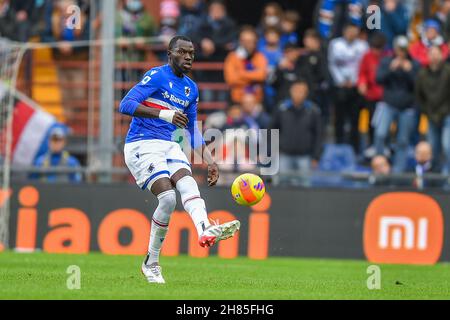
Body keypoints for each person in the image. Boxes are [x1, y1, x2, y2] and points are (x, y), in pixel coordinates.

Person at [119, 35, 240, 284]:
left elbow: (192, 129)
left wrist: (209, 160)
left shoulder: (191, 89)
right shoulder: (157, 76)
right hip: (142, 143)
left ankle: (204, 228)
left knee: (188, 183)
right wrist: (165, 114)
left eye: (191, 53)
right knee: (167, 198)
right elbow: (126, 104)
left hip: (169, 145)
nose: (188, 57)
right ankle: (151, 263)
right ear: (170, 54)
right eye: (182, 52)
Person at [374, 35, 419, 173]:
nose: (401, 53)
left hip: (407, 107)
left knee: (403, 140)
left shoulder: (414, 64)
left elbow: (418, 86)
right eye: (399, 50)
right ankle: (380, 166)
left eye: (404, 50)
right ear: (395, 49)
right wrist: (391, 69)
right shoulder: (387, 61)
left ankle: (398, 170)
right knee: (380, 134)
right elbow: (378, 79)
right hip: (388, 104)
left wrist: (409, 71)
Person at [272, 80, 323, 186]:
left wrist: (316, 156)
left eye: (301, 91)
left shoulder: (313, 111)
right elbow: (271, 130)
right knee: (282, 185)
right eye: (296, 91)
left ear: (306, 93)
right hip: (284, 155)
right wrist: (271, 151)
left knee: (305, 186)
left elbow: (318, 135)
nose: (298, 94)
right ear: (291, 91)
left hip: (305, 156)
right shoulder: (282, 109)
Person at [328, 23, 368, 153]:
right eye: (349, 30)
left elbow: (363, 67)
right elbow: (332, 64)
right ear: (344, 31)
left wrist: (355, 81)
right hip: (340, 86)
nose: (351, 33)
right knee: (339, 118)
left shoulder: (363, 46)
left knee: (354, 119)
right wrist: (340, 81)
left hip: (356, 86)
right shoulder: (335, 44)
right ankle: (339, 146)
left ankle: (354, 149)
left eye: (354, 30)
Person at [415, 45, 450, 174]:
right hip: (430, 115)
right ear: (427, 56)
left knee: (447, 146)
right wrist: (427, 111)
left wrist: (444, 111)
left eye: (437, 53)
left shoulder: (448, 71)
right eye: (431, 54)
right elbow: (418, 96)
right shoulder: (422, 74)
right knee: (433, 148)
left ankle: (447, 176)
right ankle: (435, 178)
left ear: (442, 55)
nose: (434, 56)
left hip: (447, 114)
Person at [224, 26, 268, 104]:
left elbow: (261, 75)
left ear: (255, 42)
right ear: (239, 41)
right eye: (244, 41)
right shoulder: (232, 57)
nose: (247, 44)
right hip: (237, 100)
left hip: (256, 101)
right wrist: (253, 77)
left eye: (250, 41)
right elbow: (231, 79)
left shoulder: (260, 57)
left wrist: (240, 73)